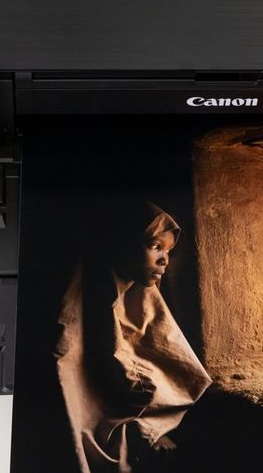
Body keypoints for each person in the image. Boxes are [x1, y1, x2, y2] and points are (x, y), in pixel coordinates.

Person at [54, 199, 212, 472]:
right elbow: (85, 375)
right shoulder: (87, 295)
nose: (164, 259)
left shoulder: (141, 293)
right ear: (124, 245)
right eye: (155, 247)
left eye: (169, 251)